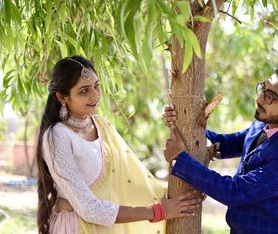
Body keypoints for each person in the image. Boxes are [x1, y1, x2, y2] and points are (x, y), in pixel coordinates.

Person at [36, 56, 201, 234]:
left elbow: (134, 180)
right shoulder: (57, 136)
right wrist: (159, 211)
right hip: (76, 227)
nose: (95, 95)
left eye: (96, 86)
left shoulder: (102, 125)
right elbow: (88, 208)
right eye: (84, 91)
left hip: (107, 226)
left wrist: (184, 191)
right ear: (62, 97)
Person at [163, 66, 278, 234]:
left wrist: (181, 158)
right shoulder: (265, 123)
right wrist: (186, 125)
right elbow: (226, 144)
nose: (259, 99)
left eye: (270, 97)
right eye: (263, 89)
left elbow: (234, 192)